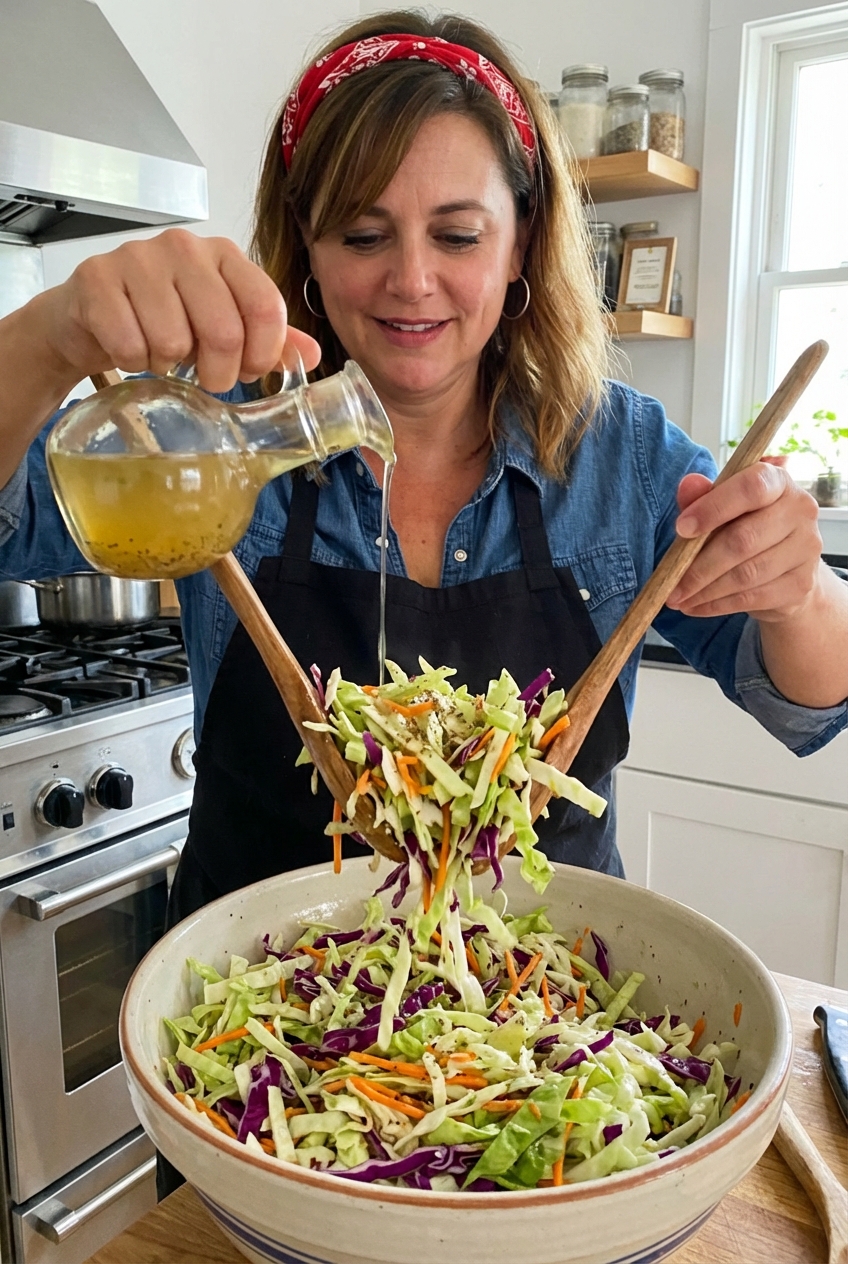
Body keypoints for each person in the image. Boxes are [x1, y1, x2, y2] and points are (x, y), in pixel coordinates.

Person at [1, 10, 846, 914]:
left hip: (537, 1006)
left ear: (520, 239)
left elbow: (807, 704)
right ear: (309, 252)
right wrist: (47, 339)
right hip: (249, 1007)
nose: (410, 280)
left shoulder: (621, 455)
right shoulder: (209, 435)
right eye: (363, 237)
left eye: (457, 235)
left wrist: (801, 591)